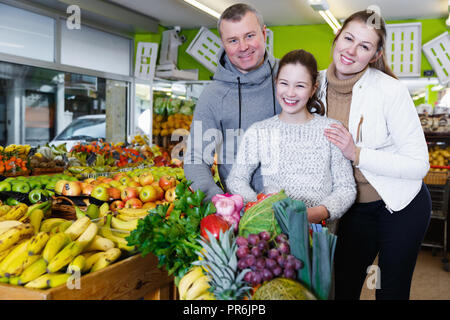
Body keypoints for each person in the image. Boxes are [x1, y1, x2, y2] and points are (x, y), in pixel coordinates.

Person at [320, 10, 432, 300]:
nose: (351, 51)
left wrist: (357, 153)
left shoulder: (390, 91)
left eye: (365, 46)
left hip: (400, 206)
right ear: (337, 37)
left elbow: (419, 164)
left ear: (375, 55)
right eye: (348, 38)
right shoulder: (313, 86)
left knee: (388, 292)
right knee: (342, 289)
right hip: (353, 209)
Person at [226, 49, 356, 224]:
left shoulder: (332, 130)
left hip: (319, 232)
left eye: (300, 85)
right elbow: (236, 179)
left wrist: (319, 212)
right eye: (284, 83)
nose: (290, 93)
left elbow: (346, 188)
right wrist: (260, 207)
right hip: (273, 229)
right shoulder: (259, 132)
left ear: (313, 89)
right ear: (276, 83)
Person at [183, 3, 281, 201]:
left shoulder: (289, 76)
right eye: (233, 40)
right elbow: (195, 159)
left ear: (264, 33)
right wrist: (220, 202)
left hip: (294, 202)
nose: (243, 47)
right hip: (241, 208)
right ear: (223, 42)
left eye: (250, 36)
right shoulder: (213, 95)